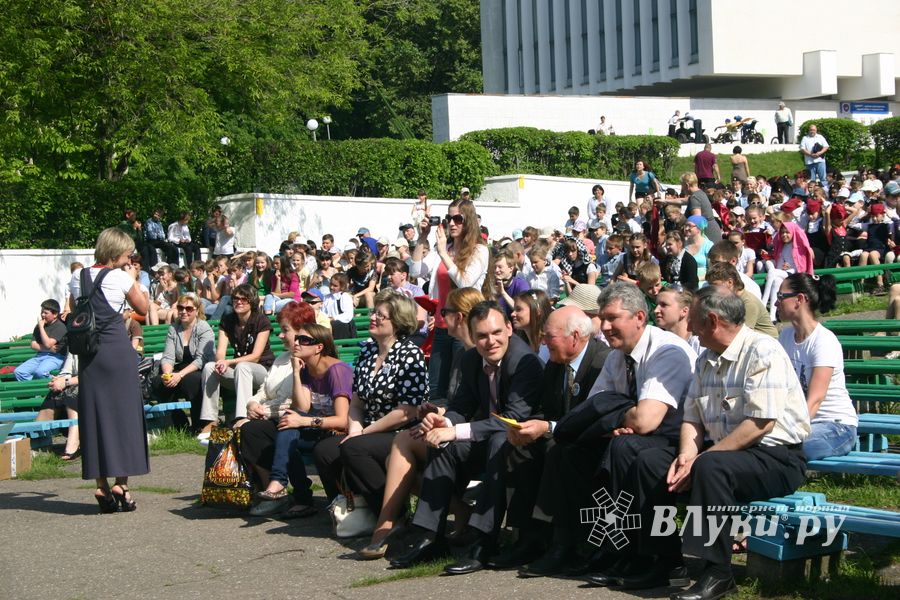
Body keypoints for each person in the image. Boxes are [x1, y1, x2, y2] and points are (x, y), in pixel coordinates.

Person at [613, 286, 808, 598]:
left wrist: (701, 460)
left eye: (696, 323)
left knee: (711, 465)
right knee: (651, 461)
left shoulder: (763, 352)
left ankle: (717, 571)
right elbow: (693, 418)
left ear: (714, 321)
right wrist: (687, 455)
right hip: (729, 452)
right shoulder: (706, 358)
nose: (690, 329)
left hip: (777, 457)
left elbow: (760, 424)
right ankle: (664, 560)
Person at [523, 282, 697, 580]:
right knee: (566, 452)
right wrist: (617, 418)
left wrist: (615, 416)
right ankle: (577, 543)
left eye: (612, 318)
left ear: (640, 317)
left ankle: (636, 551)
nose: (604, 326)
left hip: (678, 441)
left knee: (624, 451)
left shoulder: (666, 351)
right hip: (640, 440)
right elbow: (591, 412)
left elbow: (644, 421)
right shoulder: (619, 355)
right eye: (602, 318)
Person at [388, 301, 544, 575]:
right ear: (473, 337)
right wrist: (443, 422)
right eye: (482, 336)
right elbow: (461, 406)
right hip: (489, 436)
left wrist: (455, 430)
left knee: (498, 442)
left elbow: (514, 419)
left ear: (509, 328)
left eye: (496, 332)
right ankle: (429, 535)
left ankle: (483, 540)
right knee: (443, 444)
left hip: (526, 441)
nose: (490, 341)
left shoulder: (525, 361)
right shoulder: (471, 359)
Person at [359, 287, 485, 560]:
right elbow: (460, 404)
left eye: (445, 312)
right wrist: (437, 411)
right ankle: (451, 512)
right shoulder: (464, 354)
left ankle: (387, 526)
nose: (439, 317)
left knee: (400, 443)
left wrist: (445, 422)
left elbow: (482, 409)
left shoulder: (478, 353)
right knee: (401, 445)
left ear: (460, 317)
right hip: (455, 425)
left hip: (477, 435)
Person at [491, 306, 611, 571]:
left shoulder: (601, 363)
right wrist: (524, 427)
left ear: (575, 337)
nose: (544, 342)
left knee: (559, 451)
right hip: (562, 435)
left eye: (549, 336)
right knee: (518, 449)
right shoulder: (557, 364)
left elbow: (593, 417)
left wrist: (547, 427)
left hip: (594, 442)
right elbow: (546, 408)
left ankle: (563, 544)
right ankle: (528, 538)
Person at [313, 291, 428, 533]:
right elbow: (357, 402)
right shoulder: (367, 352)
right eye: (374, 312)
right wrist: (355, 427)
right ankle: (355, 509)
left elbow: (407, 411)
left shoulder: (410, 354)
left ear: (396, 321)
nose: (373, 318)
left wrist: (363, 432)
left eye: (380, 315)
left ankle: (393, 517)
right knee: (325, 451)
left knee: (354, 448)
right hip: (367, 430)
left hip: (401, 432)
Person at [69, 227, 150, 513]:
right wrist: (132, 278)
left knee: (95, 416)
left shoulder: (76, 278)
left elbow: (75, 313)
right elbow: (144, 307)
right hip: (116, 351)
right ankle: (121, 484)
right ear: (116, 252)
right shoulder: (119, 277)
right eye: (128, 253)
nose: (130, 258)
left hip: (89, 355)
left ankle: (101, 483)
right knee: (125, 415)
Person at [239, 316, 353, 518]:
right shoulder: (307, 369)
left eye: (304, 340)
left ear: (319, 347)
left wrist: (304, 421)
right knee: (270, 427)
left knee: (291, 426)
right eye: (297, 338)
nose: (297, 343)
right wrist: (296, 373)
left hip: (337, 433)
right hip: (317, 430)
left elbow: (343, 420)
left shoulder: (337, 371)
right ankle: (280, 488)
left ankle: (294, 493)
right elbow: (302, 406)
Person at [411, 198, 489, 402]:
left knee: (459, 385)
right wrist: (423, 237)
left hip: (465, 326)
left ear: (469, 221)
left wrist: (444, 252)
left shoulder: (479, 251)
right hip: (442, 324)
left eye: (457, 218)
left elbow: (466, 282)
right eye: (449, 218)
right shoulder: (444, 248)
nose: (452, 223)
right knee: (436, 386)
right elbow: (415, 270)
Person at [777, 273, 857, 460]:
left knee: (785, 450)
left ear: (799, 299)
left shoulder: (824, 341)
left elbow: (815, 400)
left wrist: (787, 432)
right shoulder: (786, 336)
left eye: (781, 297)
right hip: (804, 422)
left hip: (837, 427)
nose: (775, 303)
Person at [198, 284, 276, 435]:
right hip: (241, 373)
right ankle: (210, 421)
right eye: (235, 299)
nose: (238, 302)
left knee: (243, 366)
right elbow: (220, 351)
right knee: (209, 367)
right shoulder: (227, 320)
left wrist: (229, 362)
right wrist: (221, 362)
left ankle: (242, 419)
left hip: (263, 372)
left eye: (243, 299)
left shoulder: (261, 320)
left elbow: (256, 356)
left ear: (251, 301)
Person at [151, 293, 215, 431]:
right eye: (180, 308)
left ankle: (199, 426)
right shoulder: (174, 328)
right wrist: (168, 374)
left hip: (199, 369)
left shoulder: (204, 328)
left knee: (191, 381)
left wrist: (179, 375)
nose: (184, 311)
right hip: (179, 369)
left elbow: (200, 360)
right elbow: (168, 357)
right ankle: (177, 425)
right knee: (159, 382)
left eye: (189, 308)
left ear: (197, 310)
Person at [706, 263, 777, 338]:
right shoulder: (729, 299)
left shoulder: (748, 302)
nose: (712, 289)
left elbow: (742, 334)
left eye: (715, 285)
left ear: (730, 282)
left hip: (766, 341)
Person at [761, 221, 815, 321]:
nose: (784, 235)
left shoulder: (799, 247)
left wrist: (790, 266)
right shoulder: (782, 247)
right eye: (782, 232)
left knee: (772, 272)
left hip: (795, 274)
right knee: (776, 281)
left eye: (787, 232)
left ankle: (763, 303)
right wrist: (784, 266)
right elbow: (780, 265)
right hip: (785, 273)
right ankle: (772, 315)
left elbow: (801, 265)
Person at [37, 352, 80, 460]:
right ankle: (38, 440)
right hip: (76, 381)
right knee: (55, 393)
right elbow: (67, 371)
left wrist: (66, 382)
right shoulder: (75, 344)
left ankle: (74, 441)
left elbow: (94, 374)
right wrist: (58, 380)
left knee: (72, 394)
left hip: (100, 386)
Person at [15, 299, 67, 381]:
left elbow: (48, 344)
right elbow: (33, 345)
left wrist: (41, 328)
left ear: (55, 314)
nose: (42, 315)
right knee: (19, 372)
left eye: (46, 313)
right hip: (40, 356)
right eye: (42, 312)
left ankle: (57, 382)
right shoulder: (38, 326)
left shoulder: (60, 327)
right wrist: (49, 349)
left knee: (40, 373)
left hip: (55, 357)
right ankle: (34, 391)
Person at [653, 288, 701, 354]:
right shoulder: (657, 344)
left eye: (664, 305)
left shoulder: (698, 344)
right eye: (657, 305)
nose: (656, 310)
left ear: (684, 311)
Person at [683, 172, 723, 242]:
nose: (682, 188)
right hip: (713, 229)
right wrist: (665, 201)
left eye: (682, 185)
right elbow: (683, 201)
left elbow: (697, 219)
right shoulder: (700, 193)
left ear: (687, 185)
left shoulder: (694, 197)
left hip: (707, 234)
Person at [322, 272, 356, 339]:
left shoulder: (344, 297)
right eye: (331, 284)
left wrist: (333, 318)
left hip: (343, 328)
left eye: (335, 286)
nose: (331, 287)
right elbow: (323, 312)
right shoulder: (326, 297)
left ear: (342, 287)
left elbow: (348, 315)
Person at [683, 216, 714, 281]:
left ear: (699, 228)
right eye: (685, 225)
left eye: (690, 226)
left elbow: (712, 270)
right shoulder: (683, 244)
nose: (686, 228)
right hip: (685, 282)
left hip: (703, 283)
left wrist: (697, 279)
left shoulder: (708, 245)